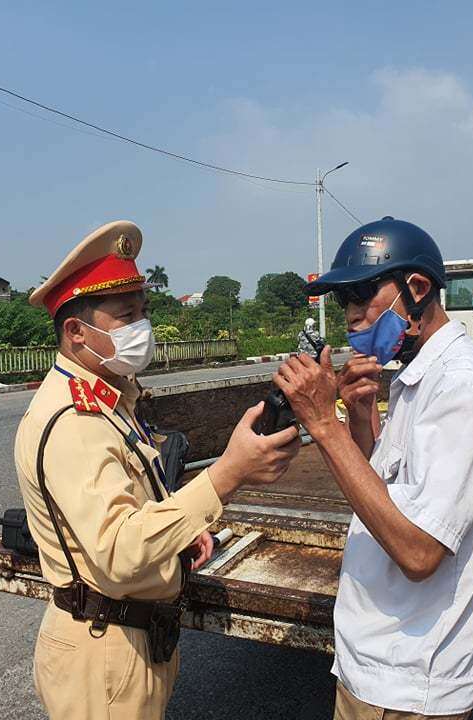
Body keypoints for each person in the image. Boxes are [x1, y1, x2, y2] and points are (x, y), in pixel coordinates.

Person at [16, 220, 301, 720]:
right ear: (76, 332)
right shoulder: (73, 420)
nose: (141, 327)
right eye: (126, 316)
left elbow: (130, 508)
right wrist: (227, 474)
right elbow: (120, 552)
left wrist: (180, 536)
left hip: (126, 637)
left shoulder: (110, 400)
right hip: (102, 649)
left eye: (143, 312)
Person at [274, 217, 473, 719]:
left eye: (364, 296)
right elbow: (384, 493)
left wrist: (324, 424)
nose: (353, 317)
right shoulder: (417, 379)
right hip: (381, 666)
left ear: (418, 289)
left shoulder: (464, 388)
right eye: (345, 303)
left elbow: (418, 551)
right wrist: (361, 417)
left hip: (410, 682)